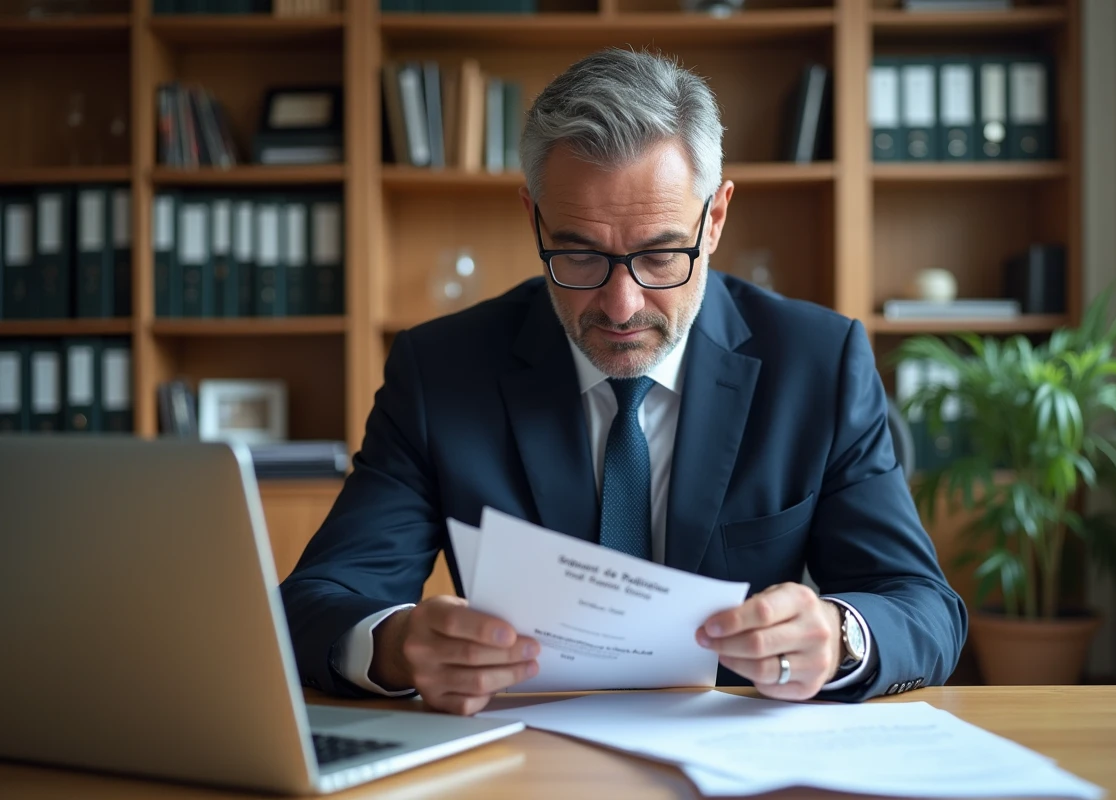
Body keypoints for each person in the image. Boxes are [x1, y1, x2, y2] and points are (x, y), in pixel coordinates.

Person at [281, 48, 967, 716]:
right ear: (533, 219)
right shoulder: (440, 372)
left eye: (661, 255)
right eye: (578, 254)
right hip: (522, 761)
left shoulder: (817, 365)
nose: (621, 306)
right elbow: (316, 599)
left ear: (716, 218)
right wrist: (393, 646)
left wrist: (840, 636)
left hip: (735, 757)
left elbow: (921, 604)